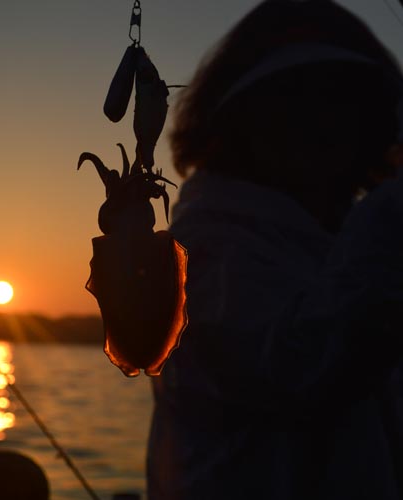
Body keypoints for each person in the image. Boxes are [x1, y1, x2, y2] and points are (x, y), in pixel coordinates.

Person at [147, 1, 403, 499]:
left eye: (341, 96)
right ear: (241, 120)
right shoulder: (203, 251)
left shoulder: (351, 233)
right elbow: (303, 367)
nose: (319, 119)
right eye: (290, 98)